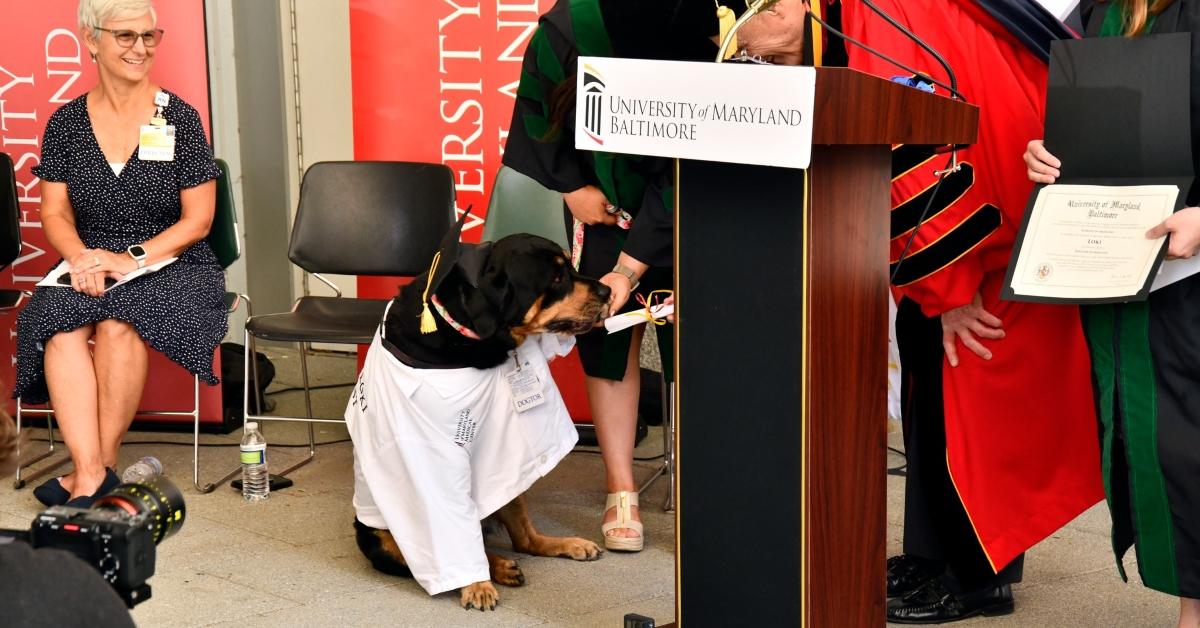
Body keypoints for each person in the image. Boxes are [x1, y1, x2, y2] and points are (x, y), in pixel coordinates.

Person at [503, 0, 811, 552]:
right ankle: (620, 485)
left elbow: (697, 148)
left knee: (699, 346)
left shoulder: (708, 21)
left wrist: (632, 261)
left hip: (691, 207)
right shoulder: (570, 23)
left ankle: (706, 486)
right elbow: (537, 109)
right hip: (602, 204)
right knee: (607, 343)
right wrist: (571, 186)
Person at [845, 0, 1104, 622]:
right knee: (930, 405)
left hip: (973, 245)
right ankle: (933, 558)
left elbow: (912, 141)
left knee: (961, 414)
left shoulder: (876, 7)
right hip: (998, 215)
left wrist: (948, 287)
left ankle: (974, 578)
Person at [1025, 2, 1200, 625]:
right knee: (1167, 444)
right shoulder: (1096, 11)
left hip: (1190, 267)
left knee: (1188, 442)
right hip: (1127, 270)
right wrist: (1046, 153)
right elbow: (1084, 122)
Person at [14, 0, 225, 508]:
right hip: (87, 257)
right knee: (56, 319)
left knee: (118, 322)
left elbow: (197, 221)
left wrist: (130, 258)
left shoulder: (178, 118)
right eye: (126, 36)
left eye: (149, 36)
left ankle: (95, 470)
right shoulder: (66, 123)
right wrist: (85, 258)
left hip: (168, 260)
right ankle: (91, 473)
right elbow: (55, 214)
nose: (140, 48)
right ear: (92, 40)